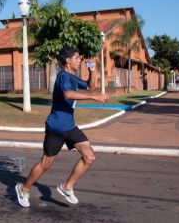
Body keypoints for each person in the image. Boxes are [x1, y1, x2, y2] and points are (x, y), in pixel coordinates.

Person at [15, 47, 109, 207]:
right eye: (77, 58)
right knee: (46, 163)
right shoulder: (63, 76)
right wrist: (93, 97)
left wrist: (93, 71)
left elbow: (90, 86)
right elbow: (68, 94)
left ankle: (67, 187)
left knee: (89, 157)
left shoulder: (72, 77)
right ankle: (23, 189)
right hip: (56, 127)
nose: (80, 60)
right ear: (67, 60)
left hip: (70, 126)